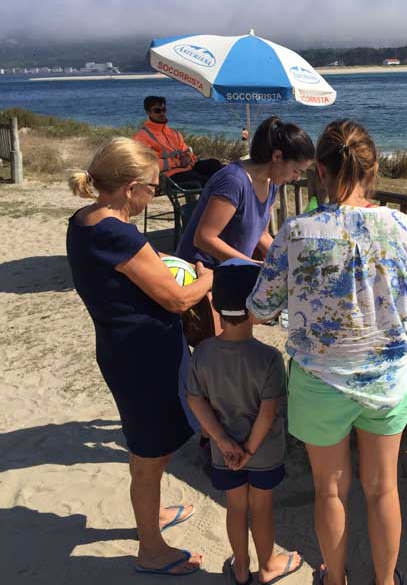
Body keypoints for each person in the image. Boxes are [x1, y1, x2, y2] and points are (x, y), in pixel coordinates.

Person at [247, 119, 407, 585]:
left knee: (330, 491)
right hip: (386, 379)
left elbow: (260, 308)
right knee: (382, 488)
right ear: (372, 170)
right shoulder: (401, 227)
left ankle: (335, 579)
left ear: (323, 171)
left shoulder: (296, 231)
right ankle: (386, 580)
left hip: (319, 379)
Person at [66, 138, 213, 576]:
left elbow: (127, 271)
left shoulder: (84, 220)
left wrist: (156, 260)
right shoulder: (116, 232)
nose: (157, 190)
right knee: (150, 454)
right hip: (143, 358)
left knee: (148, 448)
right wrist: (206, 278)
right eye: (154, 184)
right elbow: (177, 299)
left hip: (121, 349)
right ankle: (151, 549)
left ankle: (149, 519)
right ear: (131, 188)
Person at [186, 259, 303, 585]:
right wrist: (249, 450)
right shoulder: (268, 358)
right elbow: (268, 412)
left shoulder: (203, 353)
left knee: (235, 508)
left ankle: (240, 567)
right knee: (262, 508)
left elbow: (196, 400)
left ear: (215, 304)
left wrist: (225, 443)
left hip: (224, 454)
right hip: (263, 452)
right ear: (257, 308)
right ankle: (268, 566)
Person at [175, 116, 314, 269]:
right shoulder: (233, 181)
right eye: (296, 171)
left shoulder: (271, 183)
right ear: (277, 156)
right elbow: (204, 238)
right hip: (200, 273)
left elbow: (261, 234)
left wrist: (288, 263)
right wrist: (253, 266)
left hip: (232, 270)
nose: (297, 178)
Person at [133, 95, 223, 186]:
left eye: (164, 110)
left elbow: (188, 153)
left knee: (217, 166)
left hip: (188, 167)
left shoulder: (174, 133)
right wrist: (178, 162)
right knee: (205, 181)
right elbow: (148, 165)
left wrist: (188, 157)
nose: (162, 114)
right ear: (148, 112)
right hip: (169, 175)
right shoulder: (142, 136)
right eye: (157, 111)